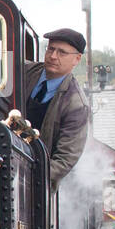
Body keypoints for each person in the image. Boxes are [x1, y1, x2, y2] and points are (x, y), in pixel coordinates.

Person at [21, 28, 91, 188]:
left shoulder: (77, 106)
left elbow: (64, 160)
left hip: (37, 185)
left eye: (62, 53)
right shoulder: (23, 71)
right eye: (51, 49)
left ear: (77, 59)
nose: (53, 56)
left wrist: (28, 177)